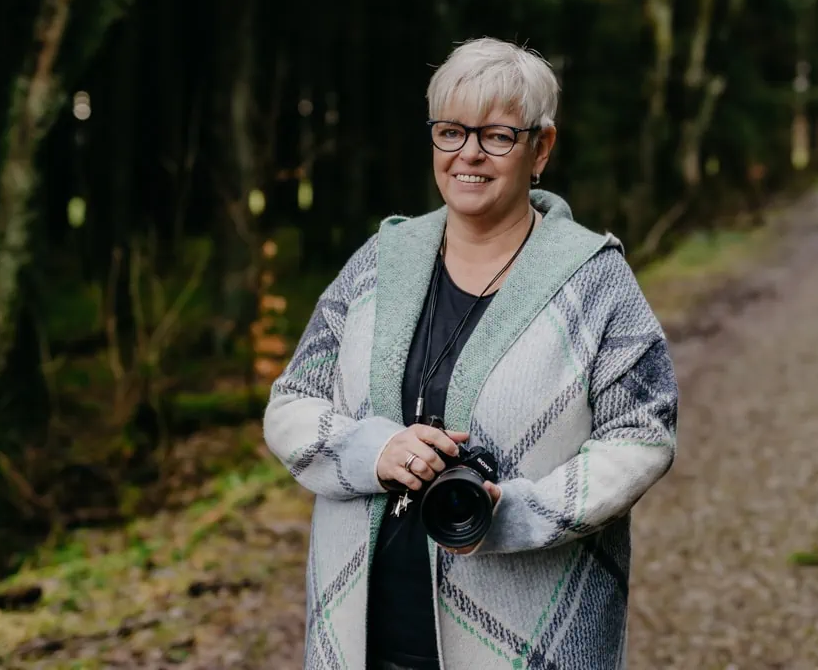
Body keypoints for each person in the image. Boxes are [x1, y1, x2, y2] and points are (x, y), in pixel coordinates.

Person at [264, 37, 679, 670]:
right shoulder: (381, 261)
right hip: (364, 630)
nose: (469, 156)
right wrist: (372, 450)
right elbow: (292, 402)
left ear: (541, 148)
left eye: (497, 137)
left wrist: (515, 514)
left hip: (526, 636)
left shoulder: (592, 277)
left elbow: (643, 435)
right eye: (451, 132)